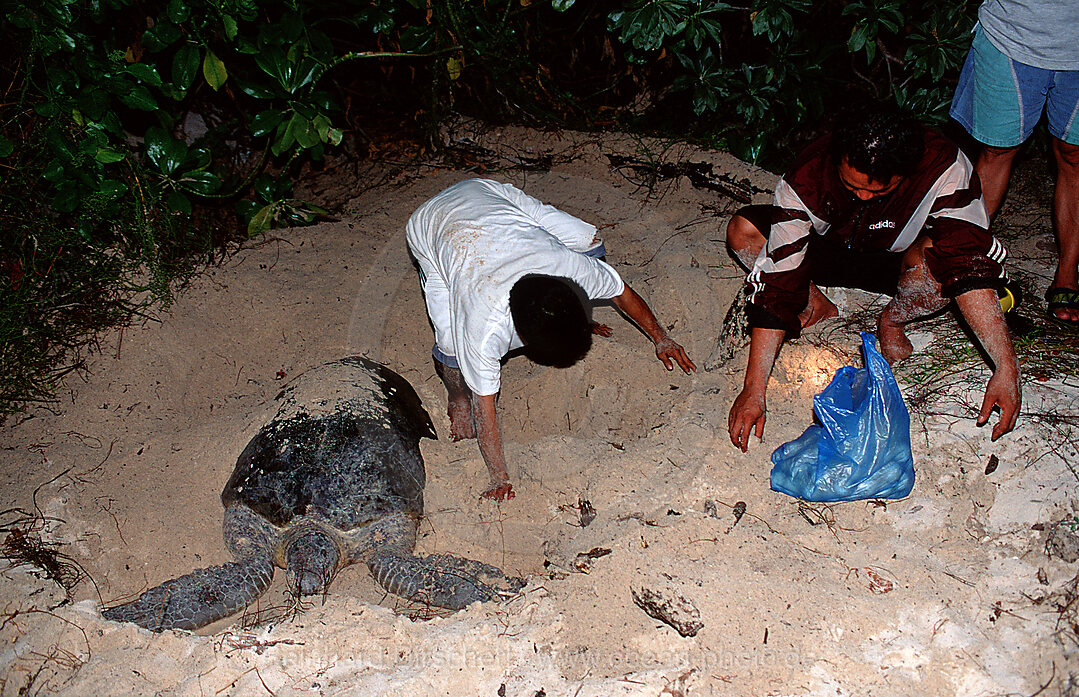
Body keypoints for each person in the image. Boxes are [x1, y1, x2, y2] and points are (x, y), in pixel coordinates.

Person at [725, 107, 1022, 453]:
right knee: (742, 230)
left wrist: (1005, 364)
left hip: (896, 257)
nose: (863, 197)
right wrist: (753, 389)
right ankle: (815, 301)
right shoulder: (810, 172)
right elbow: (778, 274)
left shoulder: (944, 165)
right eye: (853, 186)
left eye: (879, 191)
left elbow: (966, 259)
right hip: (828, 249)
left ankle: (892, 320)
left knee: (945, 269)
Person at [407, 178, 696, 501]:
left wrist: (661, 338)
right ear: (521, 340)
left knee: (590, 240)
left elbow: (622, 293)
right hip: (432, 226)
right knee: (450, 348)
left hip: (486, 193)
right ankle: (453, 396)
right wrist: (498, 476)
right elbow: (485, 406)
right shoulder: (484, 328)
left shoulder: (575, 269)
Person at [950, 0, 1079, 324]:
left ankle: (1068, 273)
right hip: (1011, 35)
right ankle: (967, 263)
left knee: (1075, 156)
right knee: (996, 151)